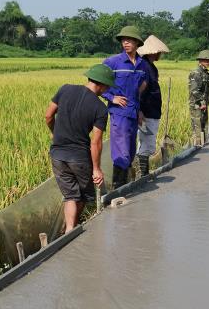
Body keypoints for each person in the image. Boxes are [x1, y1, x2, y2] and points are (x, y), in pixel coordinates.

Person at [45, 64, 115, 233]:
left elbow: (48, 116)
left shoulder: (65, 89)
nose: (107, 90)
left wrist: (55, 133)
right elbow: (96, 142)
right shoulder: (100, 108)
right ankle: (73, 228)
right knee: (85, 195)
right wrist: (96, 169)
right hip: (79, 158)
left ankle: (69, 229)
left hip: (57, 155)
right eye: (107, 86)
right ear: (101, 84)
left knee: (70, 195)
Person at [102, 26, 148, 189]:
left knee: (130, 149)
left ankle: (126, 187)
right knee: (121, 152)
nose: (126, 42)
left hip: (134, 113)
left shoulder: (143, 64)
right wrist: (111, 97)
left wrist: (140, 109)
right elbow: (99, 82)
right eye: (123, 40)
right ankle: (117, 188)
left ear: (137, 43)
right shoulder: (113, 62)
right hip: (119, 114)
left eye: (129, 40)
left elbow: (142, 87)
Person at [136, 35, 170, 178]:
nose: (160, 55)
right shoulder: (144, 67)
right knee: (147, 144)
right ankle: (142, 175)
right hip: (146, 112)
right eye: (159, 53)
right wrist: (140, 111)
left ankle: (142, 173)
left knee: (146, 143)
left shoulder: (151, 67)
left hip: (152, 111)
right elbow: (139, 92)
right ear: (153, 52)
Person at [188, 50, 209, 146]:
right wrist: (201, 102)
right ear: (200, 60)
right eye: (206, 60)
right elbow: (194, 91)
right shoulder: (196, 72)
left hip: (204, 103)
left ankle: (203, 145)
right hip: (197, 105)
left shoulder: (205, 72)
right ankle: (197, 147)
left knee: (204, 125)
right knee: (197, 127)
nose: (208, 63)